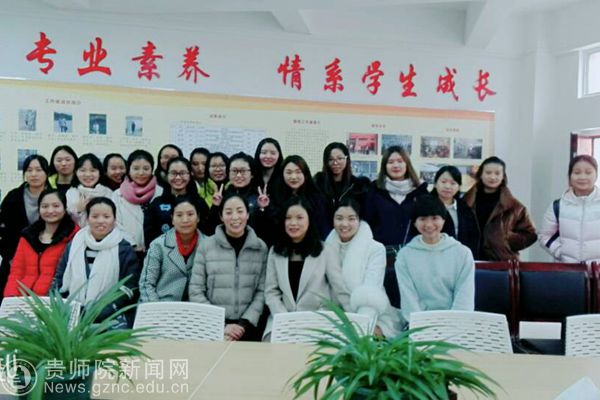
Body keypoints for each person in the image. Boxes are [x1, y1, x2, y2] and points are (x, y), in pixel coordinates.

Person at [263, 197, 350, 339]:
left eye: (299, 218)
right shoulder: (275, 251)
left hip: (318, 322)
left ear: (309, 219)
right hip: (282, 320)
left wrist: (355, 320)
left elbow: (339, 289)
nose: (293, 223)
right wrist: (284, 318)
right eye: (288, 218)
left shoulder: (326, 251)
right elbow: (271, 292)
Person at [189, 194, 268, 341]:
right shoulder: (206, 246)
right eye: (229, 212)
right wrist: (221, 324)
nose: (235, 217)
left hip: (249, 327)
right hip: (212, 326)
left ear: (248, 214)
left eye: (240, 211)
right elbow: (195, 290)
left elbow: (262, 291)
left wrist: (243, 324)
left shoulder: (260, 247)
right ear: (221, 216)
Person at [54, 197, 139, 327]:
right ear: (88, 219)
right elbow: (60, 277)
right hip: (72, 313)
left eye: (106, 216)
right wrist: (64, 305)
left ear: (114, 219)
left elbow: (130, 285)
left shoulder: (124, 248)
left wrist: (103, 310)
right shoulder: (75, 244)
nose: (100, 221)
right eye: (95, 216)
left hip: (110, 317)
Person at [325, 198, 400, 338]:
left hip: (372, 313)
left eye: (351, 219)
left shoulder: (375, 249)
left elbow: (371, 292)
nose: (344, 224)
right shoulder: (325, 248)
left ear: (359, 220)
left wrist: (361, 327)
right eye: (339, 218)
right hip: (335, 313)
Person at [395, 195, 475, 324]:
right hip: (419, 324)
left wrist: (454, 324)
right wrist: (420, 325)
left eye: (434, 218)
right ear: (414, 222)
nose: (429, 224)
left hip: (456, 323)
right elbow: (408, 298)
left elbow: (465, 296)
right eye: (422, 219)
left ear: (443, 220)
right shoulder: (404, 256)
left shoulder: (462, 253)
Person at [4, 189, 78, 297]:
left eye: (56, 206)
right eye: (45, 206)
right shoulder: (28, 236)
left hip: (54, 300)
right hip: (23, 298)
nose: (50, 210)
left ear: (65, 208)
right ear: (39, 209)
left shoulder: (74, 237)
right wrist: (10, 297)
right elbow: (17, 271)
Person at [463, 156, 536, 261]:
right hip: (469, 260)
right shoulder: (466, 201)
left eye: (497, 173)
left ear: (503, 176)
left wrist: (506, 239)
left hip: (502, 262)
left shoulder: (514, 206)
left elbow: (530, 234)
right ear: (481, 174)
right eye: (488, 173)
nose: (492, 177)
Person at [0, 155, 50, 298]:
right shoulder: (13, 197)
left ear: (46, 173)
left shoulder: (55, 196)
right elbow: (4, 231)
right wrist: (10, 258)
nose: (34, 174)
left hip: (46, 263)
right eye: (29, 170)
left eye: (38, 170)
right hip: (15, 260)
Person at [140, 197, 205, 302]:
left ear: (198, 217)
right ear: (172, 219)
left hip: (197, 306)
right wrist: (156, 309)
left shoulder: (208, 245)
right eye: (179, 215)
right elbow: (146, 284)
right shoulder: (158, 245)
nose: (185, 220)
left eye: (190, 214)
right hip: (162, 304)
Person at [539, 155, 600, 263]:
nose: (582, 177)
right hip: (567, 269)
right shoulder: (557, 206)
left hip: (597, 269)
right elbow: (544, 236)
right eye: (577, 172)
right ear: (570, 176)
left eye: (588, 172)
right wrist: (560, 253)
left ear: (596, 175)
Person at [364, 145, 428, 248]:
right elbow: (367, 221)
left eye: (400, 161)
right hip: (381, 251)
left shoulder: (420, 191)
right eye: (390, 162)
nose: (396, 165)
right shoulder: (375, 190)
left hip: (415, 250)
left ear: (407, 164)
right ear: (384, 166)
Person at [144, 157, 209, 247]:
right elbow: (149, 236)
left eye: (182, 173)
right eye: (173, 173)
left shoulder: (198, 202)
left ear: (190, 175)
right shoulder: (157, 203)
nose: (178, 177)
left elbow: (207, 231)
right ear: (167, 175)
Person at [112, 150, 162, 254]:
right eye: (136, 168)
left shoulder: (161, 192)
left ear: (152, 169)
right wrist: (132, 245)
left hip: (157, 251)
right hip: (128, 251)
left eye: (146, 168)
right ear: (128, 170)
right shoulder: (117, 194)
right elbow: (116, 223)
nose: (141, 173)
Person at [430, 165, 480, 257]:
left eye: (453, 183)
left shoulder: (465, 209)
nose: (447, 186)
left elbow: (473, 237)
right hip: (433, 257)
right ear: (435, 184)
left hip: (461, 258)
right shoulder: (426, 206)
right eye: (443, 182)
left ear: (459, 187)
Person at [314, 142, 370, 220]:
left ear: (347, 159)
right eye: (330, 159)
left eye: (339, 158)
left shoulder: (358, 186)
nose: (335, 163)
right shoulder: (318, 184)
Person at [66, 153, 113, 227]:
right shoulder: (71, 193)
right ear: (76, 172)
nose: (88, 174)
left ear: (100, 173)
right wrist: (78, 210)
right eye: (83, 170)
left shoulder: (108, 193)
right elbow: (66, 222)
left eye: (92, 170)